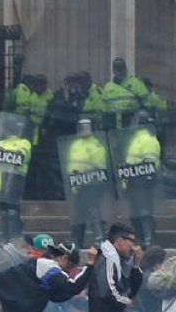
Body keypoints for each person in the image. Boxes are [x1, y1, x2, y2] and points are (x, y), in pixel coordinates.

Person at [63, 118, 110, 247]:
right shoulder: (75, 145)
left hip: (92, 183)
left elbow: (99, 164)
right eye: (82, 127)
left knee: (94, 210)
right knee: (78, 213)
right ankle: (77, 241)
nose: (84, 130)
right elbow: (71, 164)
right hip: (78, 183)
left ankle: (99, 238)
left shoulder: (95, 145)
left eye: (87, 127)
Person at [0, 115, 33, 241]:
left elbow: (20, 156)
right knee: (4, 211)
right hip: (0, 181)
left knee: (12, 211)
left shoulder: (24, 143)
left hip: (15, 181)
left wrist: (3, 153)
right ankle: (6, 239)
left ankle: (14, 238)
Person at [119, 109, 161, 246]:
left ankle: (148, 239)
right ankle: (141, 239)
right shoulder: (136, 139)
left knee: (144, 212)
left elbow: (150, 163)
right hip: (134, 181)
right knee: (135, 213)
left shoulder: (148, 140)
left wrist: (145, 178)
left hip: (143, 181)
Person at [101, 57, 149, 130]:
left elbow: (146, 103)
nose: (119, 71)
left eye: (121, 68)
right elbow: (104, 108)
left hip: (132, 124)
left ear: (125, 69)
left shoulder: (136, 83)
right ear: (113, 70)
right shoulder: (108, 87)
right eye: (117, 68)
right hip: (113, 126)